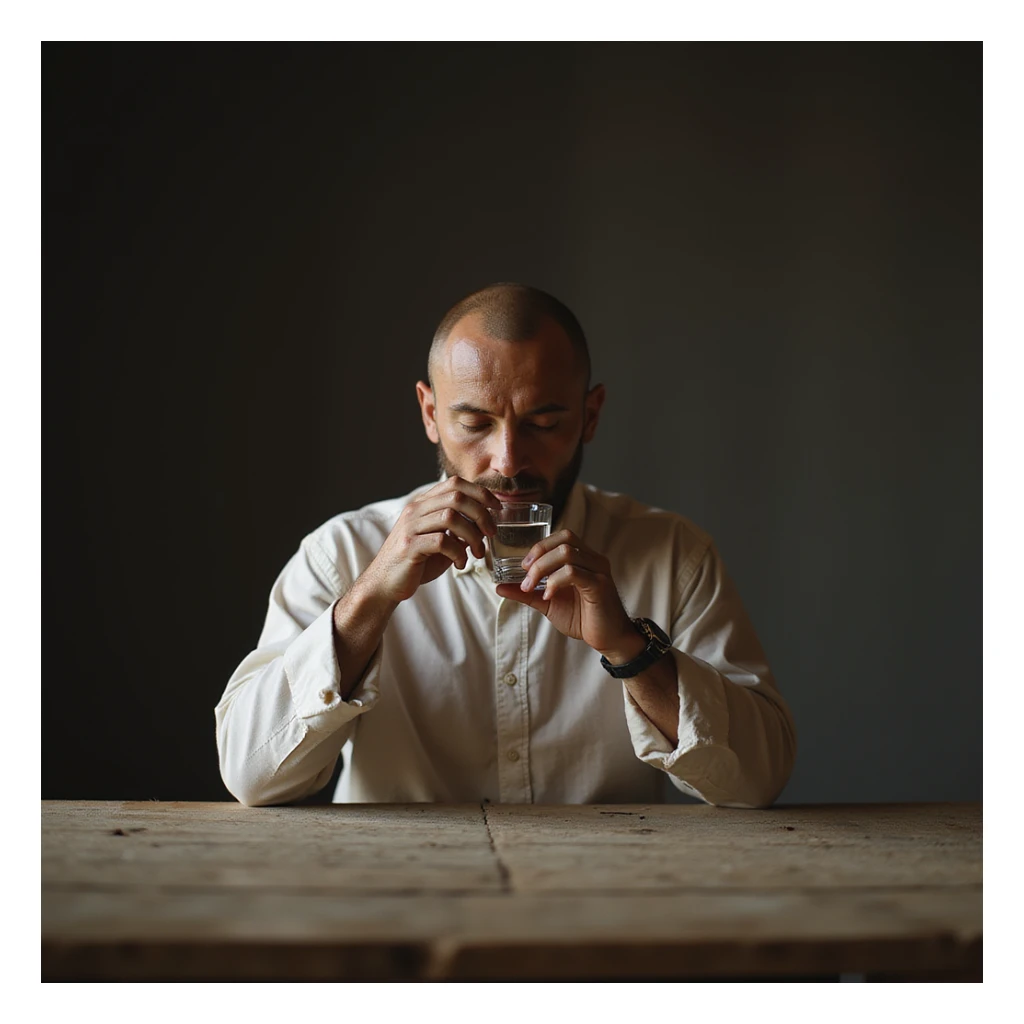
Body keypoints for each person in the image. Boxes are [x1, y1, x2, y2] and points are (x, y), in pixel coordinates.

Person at [215, 283, 796, 808]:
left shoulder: (674, 554)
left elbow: (758, 780)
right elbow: (252, 776)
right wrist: (369, 598)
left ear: (589, 416)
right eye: (474, 423)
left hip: (606, 906)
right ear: (430, 413)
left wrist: (629, 648)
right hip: (395, 902)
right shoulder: (340, 553)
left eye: (544, 424)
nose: (509, 461)